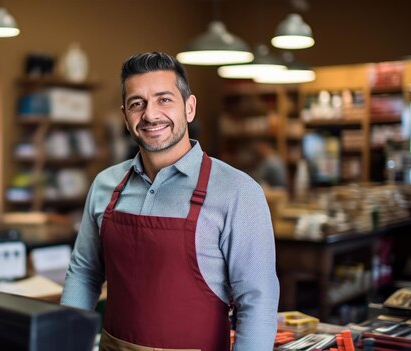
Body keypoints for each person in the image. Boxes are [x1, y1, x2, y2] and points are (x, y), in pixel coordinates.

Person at [61, 52, 279, 351]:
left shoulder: (238, 192)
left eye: (164, 99)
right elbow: (84, 273)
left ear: (189, 108)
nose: (150, 115)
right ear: (125, 116)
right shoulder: (105, 185)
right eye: (137, 104)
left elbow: (257, 301)